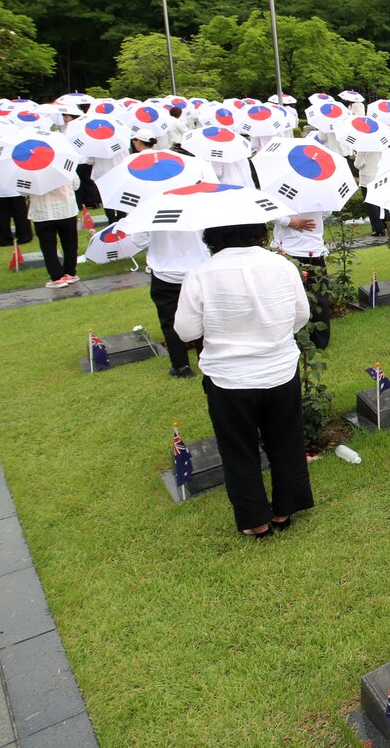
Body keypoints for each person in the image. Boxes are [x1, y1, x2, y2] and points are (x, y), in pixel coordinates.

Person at [174, 222, 313, 538]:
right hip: (278, 369)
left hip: (229, 377)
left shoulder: (201, 273)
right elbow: (301, 315)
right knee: (286, 441)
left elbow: (186, 331)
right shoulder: (282, 265)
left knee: (238, 448)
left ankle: (256, 521)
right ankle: (283, 510)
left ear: (213, 235)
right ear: (258, 231)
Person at [134, 229, 210, 377]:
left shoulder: (149, 206)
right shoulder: (201, 204)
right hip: (198, 266)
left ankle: (181, 366)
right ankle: (206, 360)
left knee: (170, 321)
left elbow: (139, 240)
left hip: (165, 270)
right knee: (204, 316)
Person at [271, 210, 331, 349]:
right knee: (319, 296)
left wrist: (291, 222)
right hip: (310, 248)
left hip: (292, 248)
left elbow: (270, 212)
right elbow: (327, 212)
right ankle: (319, 341)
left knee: (292, 297)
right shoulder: (320, 188)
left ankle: (302, 339)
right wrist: (294, 222)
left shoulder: (279, 189)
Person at [29, 176, 81, 288]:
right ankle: (70, 272)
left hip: (43, 212)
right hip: (66, 209)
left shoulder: (29, 169)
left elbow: (23, 191)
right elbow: (76, 184)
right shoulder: (64, 164)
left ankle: (57, 277)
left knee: (48, 247)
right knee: (70, 243)